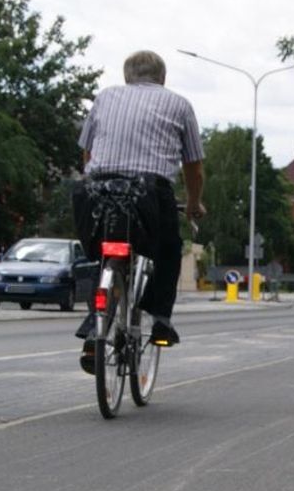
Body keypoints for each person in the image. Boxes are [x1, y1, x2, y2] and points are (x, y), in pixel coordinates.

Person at [73, 50, 206, 371]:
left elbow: (87, 154)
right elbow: (193, 167)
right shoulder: (179, 104)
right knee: (169, 250)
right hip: (149, 192)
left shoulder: (104, 98)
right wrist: (192, 203)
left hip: (95, 192)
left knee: (103, 254)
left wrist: (98, 179)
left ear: (126, 77)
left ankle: (96, 319)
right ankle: (160, 319)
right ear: (162, 78)